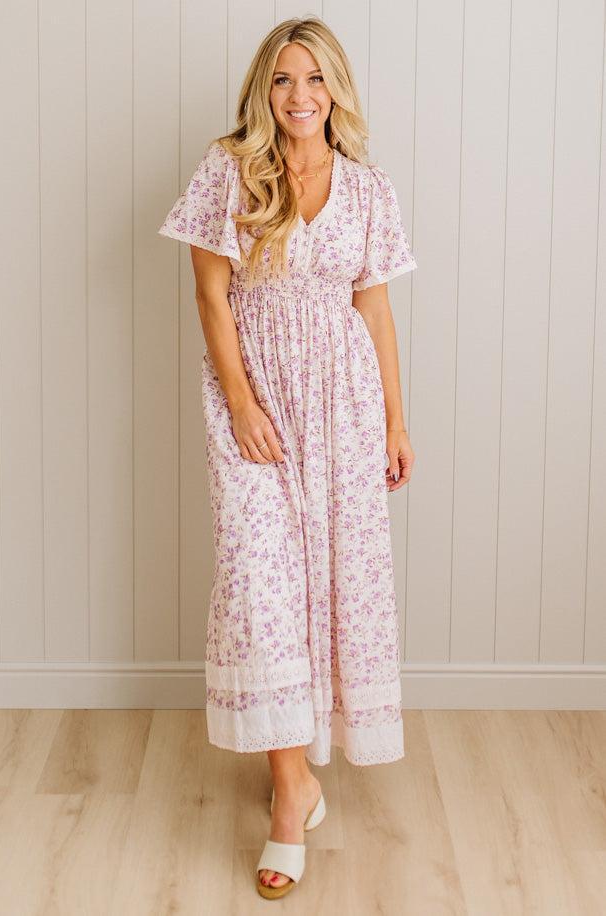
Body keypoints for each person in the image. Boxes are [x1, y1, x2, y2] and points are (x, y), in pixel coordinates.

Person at [158, 15, 417, 900]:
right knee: (259, 580)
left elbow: (374, 309)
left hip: (343, 403)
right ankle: (289, 790)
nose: (297, 96)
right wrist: (239, 402)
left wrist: (394, 417)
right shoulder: (228, 170)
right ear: (261, 91)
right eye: (280, 80)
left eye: (312, 79)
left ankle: (295, 768)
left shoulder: (370, 189)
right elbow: (208, 292)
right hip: (255, 398)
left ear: (335, 88)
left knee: (332, 578)